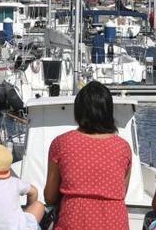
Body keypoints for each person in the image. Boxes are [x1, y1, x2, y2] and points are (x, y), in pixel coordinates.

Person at [44, 81, 131, 230]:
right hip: (114, 223)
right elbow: (121, 192)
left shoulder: (61, 143)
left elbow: (50, 196)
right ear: (108, 112)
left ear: (78, 112)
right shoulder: (123, 147)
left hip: (74, 222)